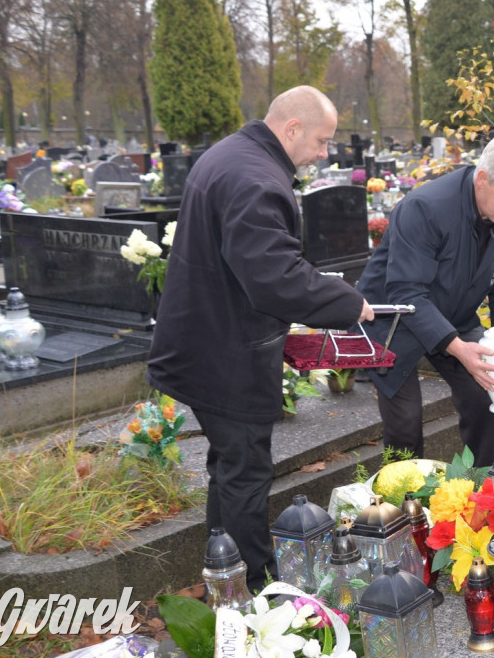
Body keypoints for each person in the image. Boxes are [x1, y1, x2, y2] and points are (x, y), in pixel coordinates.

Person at [146, 86, 374, 592]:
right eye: (320, 141)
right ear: (292, 128)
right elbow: (273, 277)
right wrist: (345, 301)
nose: (323, 154)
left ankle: (220, 568)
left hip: (205, 339)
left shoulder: (231, 154)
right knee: (246, 471)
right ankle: (254, 586)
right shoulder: (255, 178)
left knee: (230, 466)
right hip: (225, 354)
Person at [356, 134, 494, 467]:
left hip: (454, 313)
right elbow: (407, 291)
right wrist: (457, 347)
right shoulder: (425, 209)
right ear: (482, 179)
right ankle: (406, 507)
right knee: (405, 422)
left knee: (485, 393)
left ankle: (483, 487)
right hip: (393, 319)